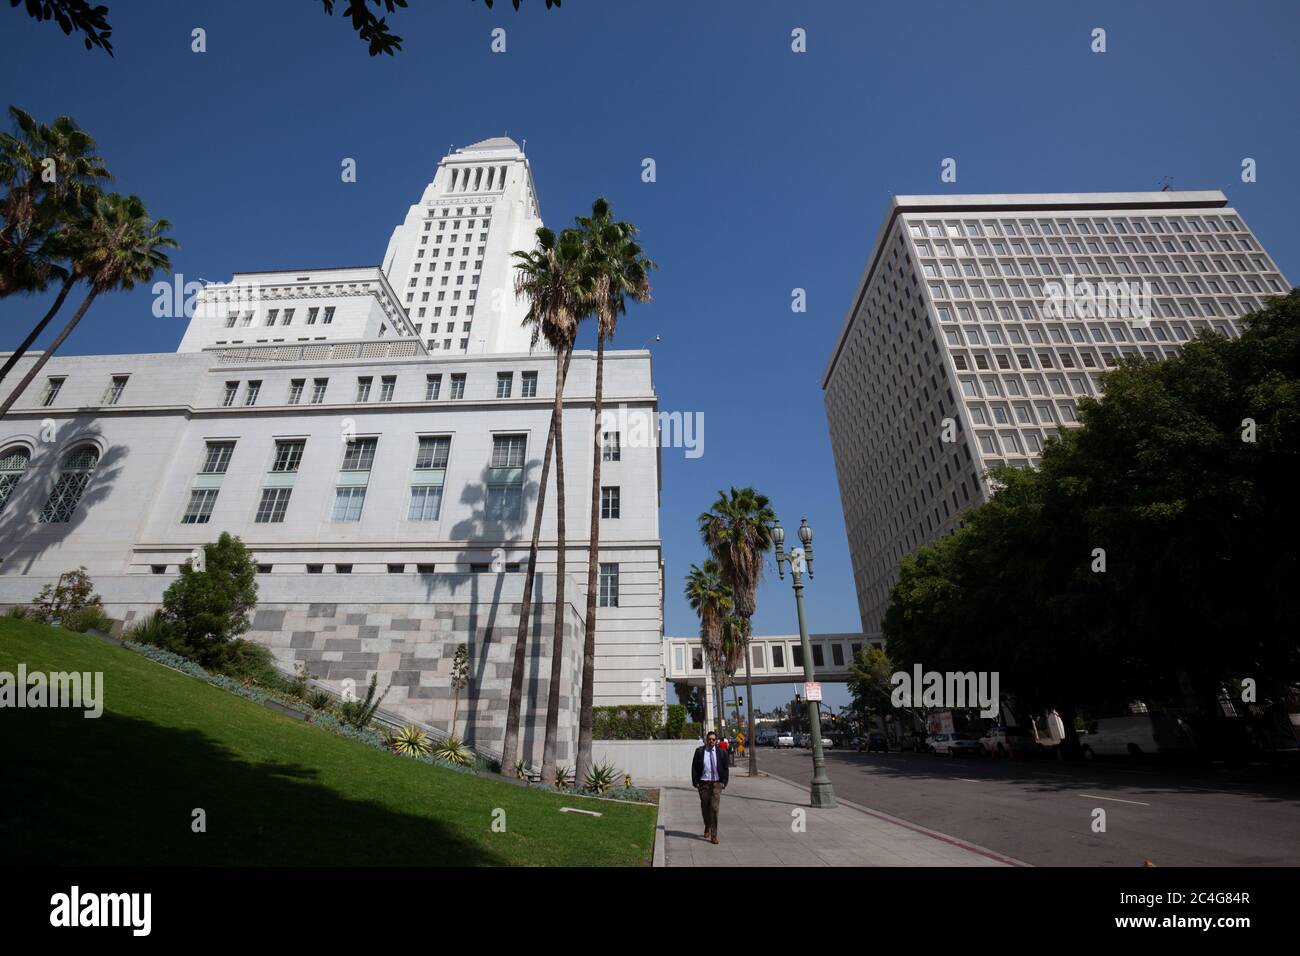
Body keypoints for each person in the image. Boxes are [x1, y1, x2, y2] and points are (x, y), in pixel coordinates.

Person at [690, 730, 729, 844]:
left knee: (714, 809)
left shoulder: (721, 752)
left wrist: (724, 782)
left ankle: (714, 835)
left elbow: (725, 768)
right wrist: (695, 781)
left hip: (716, 783)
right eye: (709, 739)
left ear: (716, 741)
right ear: (706, 740)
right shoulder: (700, 751)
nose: (711, 741)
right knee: (705, 808)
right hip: (703, 784)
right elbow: (694, 767)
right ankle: (707, 825)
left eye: (713, 739)